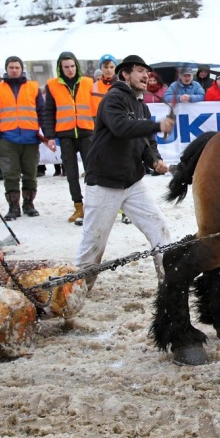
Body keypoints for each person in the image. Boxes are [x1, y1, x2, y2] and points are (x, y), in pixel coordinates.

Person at [75, 55, 174, 287]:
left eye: (147, 72)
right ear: (125, 75)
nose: (145, 76)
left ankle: (169, 287)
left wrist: (154, 160)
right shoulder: (113, 99)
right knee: (93, 247)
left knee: (160, 230)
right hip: (103, 182)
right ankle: (75, 293)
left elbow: (147, 143)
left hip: (133, 183)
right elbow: (121, 127)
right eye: (140, 71)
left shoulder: (142, 106)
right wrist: (158, 125)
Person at [0, 56, 45, 220]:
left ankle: (29, 204)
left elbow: (41, 111)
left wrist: (44, 132)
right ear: (7, 69)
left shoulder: (33, 87)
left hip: (31, 138)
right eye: (11, 67)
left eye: (17, 67)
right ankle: (13, 206)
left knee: (30, 172)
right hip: (7, 138)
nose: (14, 70)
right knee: (10, 173)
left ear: (21, 69)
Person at [43, 52, 95, 225]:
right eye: (66, 67)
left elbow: (96, 108)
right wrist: (50, 136)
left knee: (93, 171)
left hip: (87, 133)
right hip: (65, 135)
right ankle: (78, 206)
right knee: (71, 173)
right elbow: (49, 112)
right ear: (60, 67)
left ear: (77, 66)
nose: (70, 70)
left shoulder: (88, 82)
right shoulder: (52, 85)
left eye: (72, 66)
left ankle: (93, 205)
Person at [91, 54, 117, 118]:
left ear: (115, 68)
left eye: (111, 67)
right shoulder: (93, 87)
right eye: (106, 67)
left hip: (116, 124)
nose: (109, 70)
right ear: (101, 68)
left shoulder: (122, 86)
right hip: (98, 124)